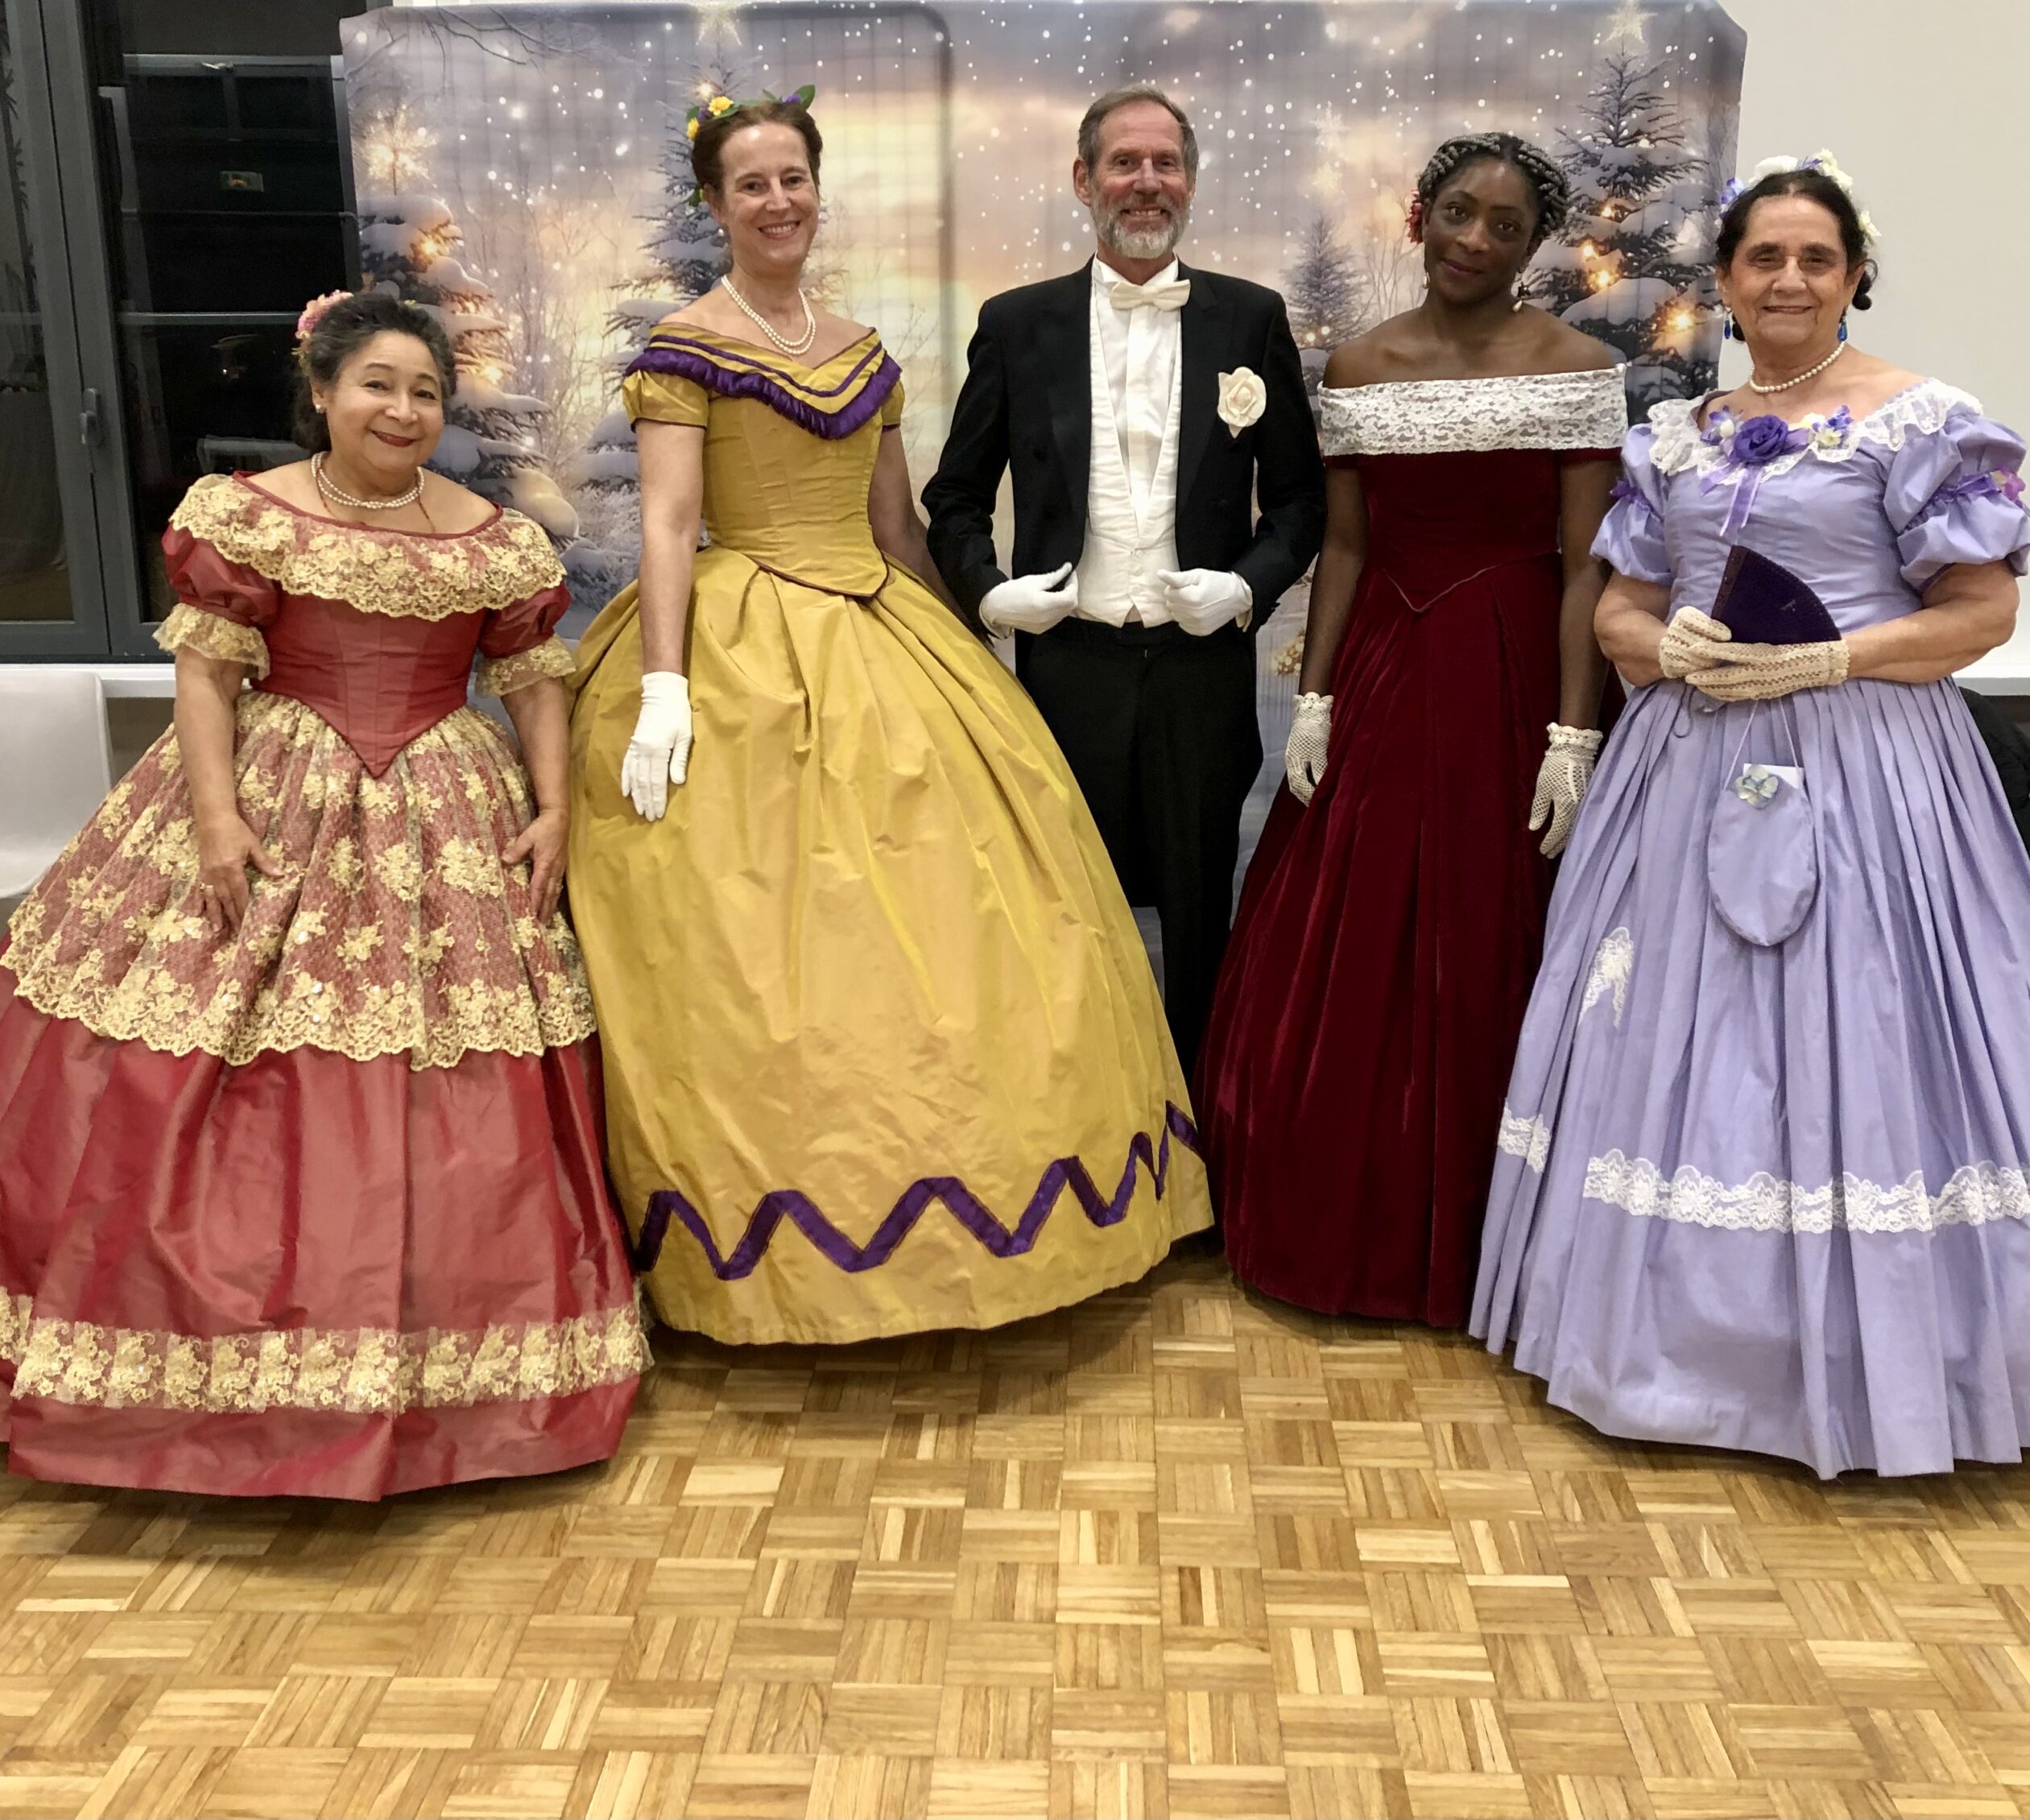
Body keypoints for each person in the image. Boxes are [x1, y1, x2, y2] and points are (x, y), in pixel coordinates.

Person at [565, 93, 1209, 1346]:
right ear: (716, 204)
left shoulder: (861, 350)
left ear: (819, 188)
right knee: (769, 938)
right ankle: (782, 1242)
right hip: (745, 642)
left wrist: (965, 653)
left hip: (877, 627)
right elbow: (669, 523)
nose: (778, 202)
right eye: (751, 184)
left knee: (967, 926)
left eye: (793, 179)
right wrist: (663, 686)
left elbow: (896, 528)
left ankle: (978, 1213)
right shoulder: (687, 347)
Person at [1471, 157, 2030, 1476]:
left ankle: (1885, 1363)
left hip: (1869, 772)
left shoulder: (1922, 419)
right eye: (1764, 258)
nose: (1789, 279)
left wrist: (1832, 659)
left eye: (1816, 257)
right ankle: (1669, 1351)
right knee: (1679, 1034)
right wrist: (1661, 643)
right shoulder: (1675, 433)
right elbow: (1621, 606)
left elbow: (1982, 611)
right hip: (1688, 770)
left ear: (1855, 275)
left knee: (1863, 1026)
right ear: (1728, 282)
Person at [0, 290, 643, 1498]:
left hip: (445, 805)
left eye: (425, 392)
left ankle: (450, 1366)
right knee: (206, 1046)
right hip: (274, 787)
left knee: (459, 1065)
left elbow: (531, 679)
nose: (402, 410)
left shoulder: (493, 537)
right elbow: (207, 675)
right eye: (377, 385)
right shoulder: (249, 515)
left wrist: (553, 807)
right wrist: (216, 817)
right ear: (322, 391)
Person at [1198, 134, 1626, 1325]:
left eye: (1505, 226)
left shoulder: (1578, 365)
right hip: (1386, 659)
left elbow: (1584, 564)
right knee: (1343, 927)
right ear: (1417, 216)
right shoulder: (1358, 365)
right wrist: (1318, 696)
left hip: (1511, 667)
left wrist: (1572, 735)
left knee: (1493, 924)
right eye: (1457, 212)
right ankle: (1343, 1222)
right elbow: (1344, 545)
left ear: (1533, 248)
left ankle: (1493, 1240)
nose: (1474, 240)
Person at [923, 85, 1327, 1070]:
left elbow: (1301, 503)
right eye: (1123, 163)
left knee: (1200, 916)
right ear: (1083, 179)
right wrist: (989, 594)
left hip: (1201, 677)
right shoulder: (1017, 323)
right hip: (1068, 675)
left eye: (1165, 164)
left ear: (1189, 181)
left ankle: (1196, 1120)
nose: (1146, 183)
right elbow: (955, 496)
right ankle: (1085, 1119)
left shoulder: (1249, 317)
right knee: (1068, 914)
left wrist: (1246, 588)